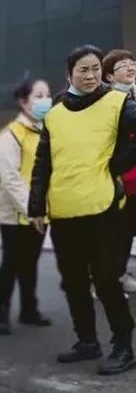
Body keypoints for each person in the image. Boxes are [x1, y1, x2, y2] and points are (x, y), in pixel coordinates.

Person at [28, 44, 136, 374]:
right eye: (82, 70)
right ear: (70, 74)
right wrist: (36, 206)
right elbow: (43, 161)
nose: (89, 75)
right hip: (62, 211)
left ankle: (123, 344)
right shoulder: (57, 112)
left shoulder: (120, 103)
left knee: (105, 280)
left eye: (93, 69)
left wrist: (112, 167)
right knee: (73, 281)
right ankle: (87, 341)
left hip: (104, 208)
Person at [0, 79, 53, 334]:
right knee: (11, 262)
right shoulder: (10, 134)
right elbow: (11, 178)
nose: (45, 100)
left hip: (40, 212)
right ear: (23, 101)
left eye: (48, 95)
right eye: (38, 95)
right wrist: (33, 208)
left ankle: (29, 309)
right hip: (14, 212)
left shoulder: (48, 131)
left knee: (30, 262)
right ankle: (2, 313)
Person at [102, 49, 136, 293]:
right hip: (122, 177)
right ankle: (109, 278)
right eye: (122, 65)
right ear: (109, 77)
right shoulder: (109, 101)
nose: (130, 67)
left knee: (128, 230)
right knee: (120, 231)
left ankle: (118, 273)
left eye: (132, 63)